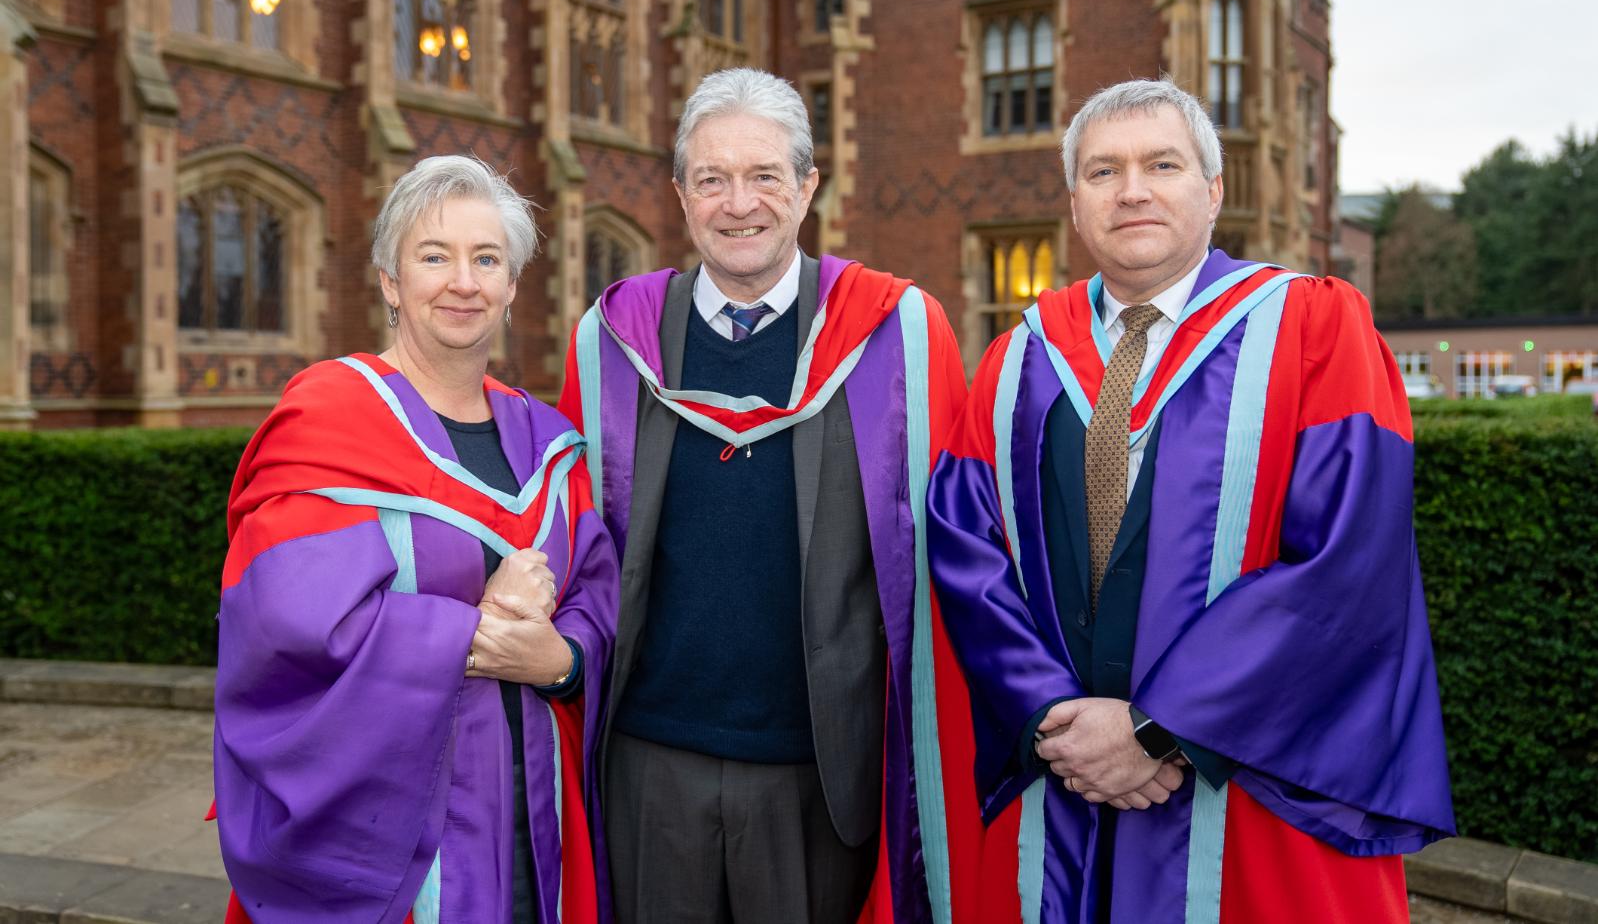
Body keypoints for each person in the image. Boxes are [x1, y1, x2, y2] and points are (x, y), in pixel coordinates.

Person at [926, 79, 1454, 923]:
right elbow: (963, 549)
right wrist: (1052, 715)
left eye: (1161, 164)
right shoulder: (1017, 360)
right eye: (1103, 172)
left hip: (1246, 783)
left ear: (1213, 192)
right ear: (1074, 204)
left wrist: (1158, 729)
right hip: (1061, 782)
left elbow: (1348, 558)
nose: (1131, 189)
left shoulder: (1315, 329)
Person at [558, 68, 982, 924]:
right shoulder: (614, 339)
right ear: (680, 194)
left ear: (807, 187)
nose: (737, 203)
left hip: (821, 771)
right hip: (649, 761)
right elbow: (574, 545)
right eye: (712, 179)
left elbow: (957, 543)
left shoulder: (894, 332)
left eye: (763, 177)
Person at [213, 155, 617, 923]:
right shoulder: (328, 423)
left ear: (510, 289)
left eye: (486, 259)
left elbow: (598, 600)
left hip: (539, 825)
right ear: (390, 282)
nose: (463, 281)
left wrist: (562, 662)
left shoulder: (551, 446)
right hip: (390, 838)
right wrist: (479, 630)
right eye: (434, 257)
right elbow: (289, 622)